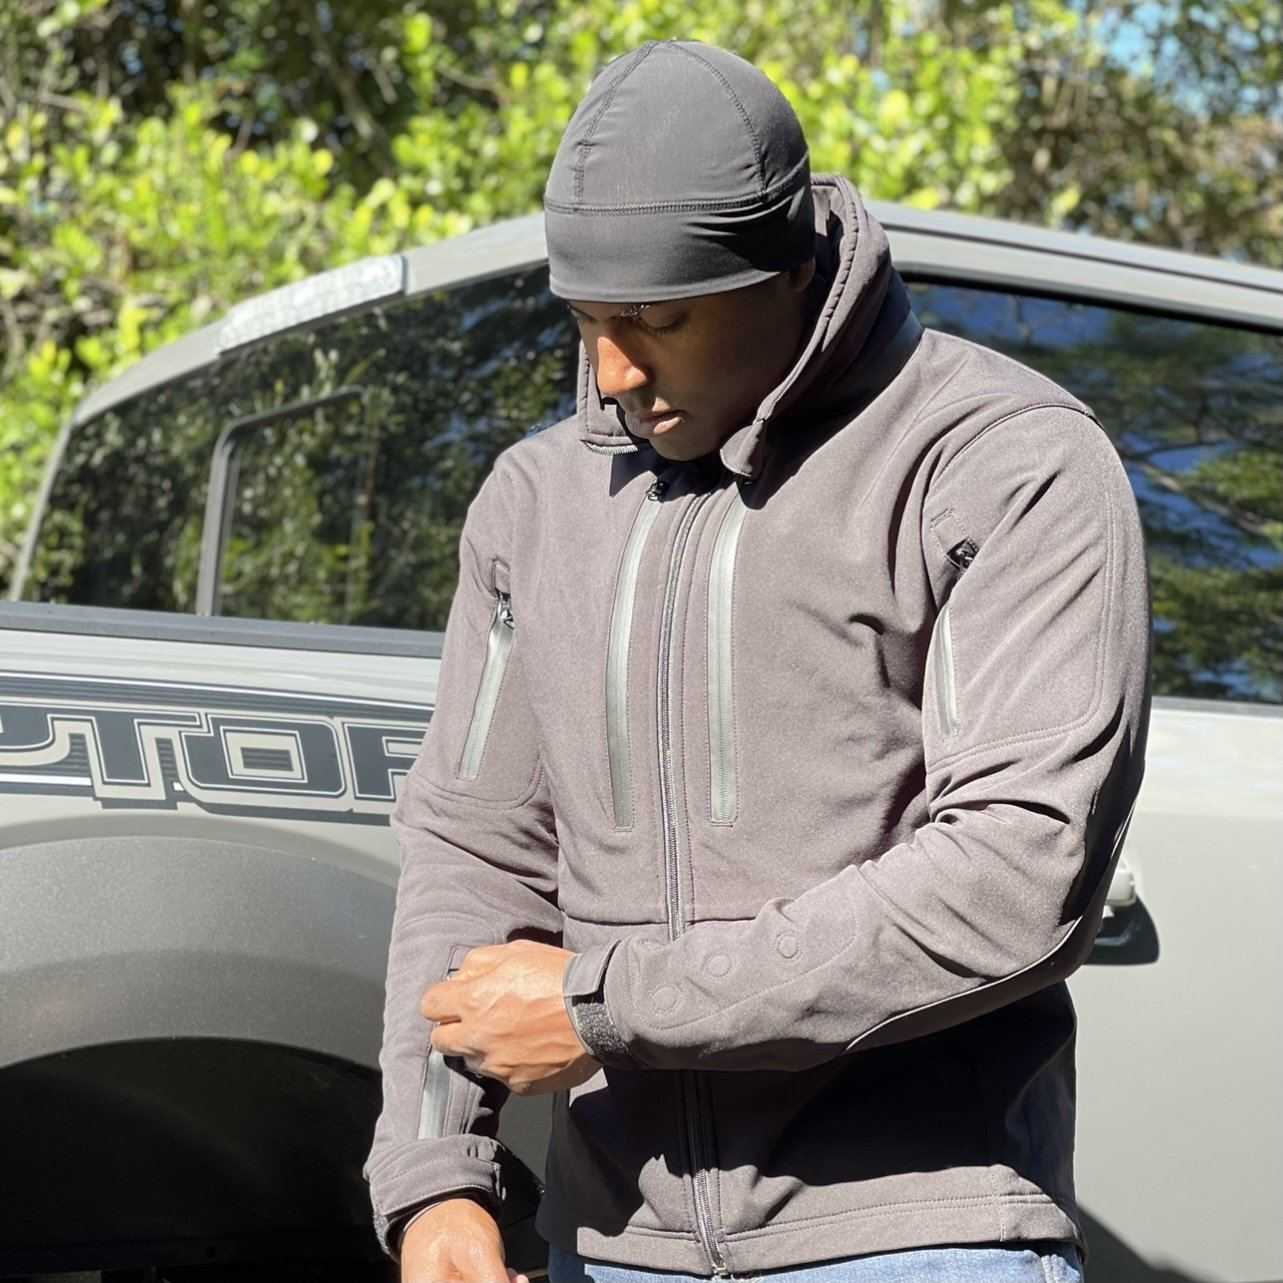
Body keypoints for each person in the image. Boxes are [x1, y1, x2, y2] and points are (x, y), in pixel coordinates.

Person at [363, 39, 1151, 1283]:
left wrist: (607, 1001)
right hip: (613, 1247)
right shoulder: (533, 501)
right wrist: (438, 1181)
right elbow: (476, 850)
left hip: (915, 1238)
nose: (612, 372)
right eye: (586, 321)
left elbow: (1012, 872)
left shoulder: (1001, 461)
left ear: (788, 274)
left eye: (657, 320)